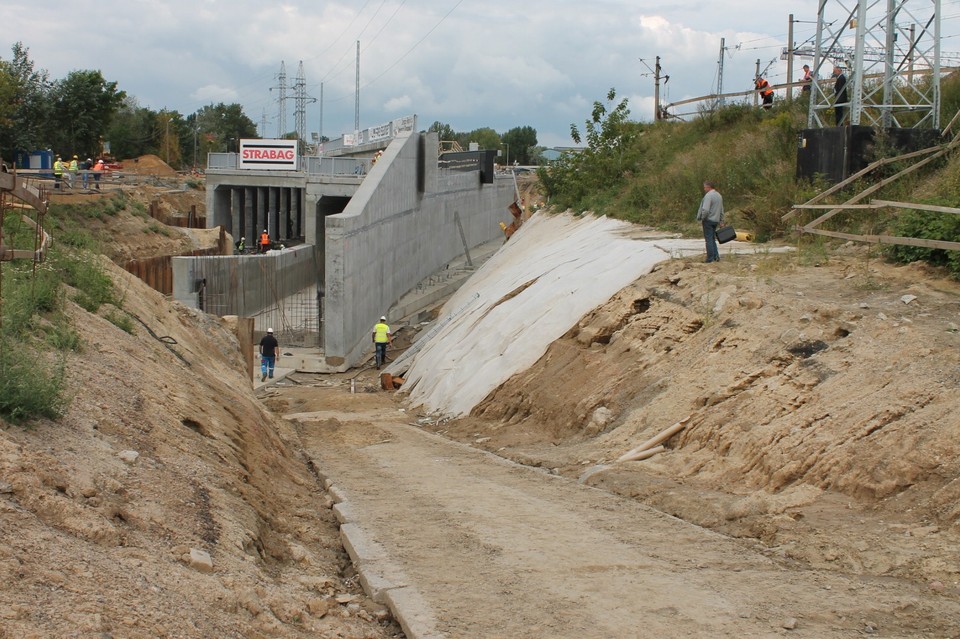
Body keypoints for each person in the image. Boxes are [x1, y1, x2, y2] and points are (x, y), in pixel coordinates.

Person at [696, 181, 724, 263]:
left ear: (709, 187)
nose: (704, 189)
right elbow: (721, 210)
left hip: (708, 220)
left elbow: (705, 209)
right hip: (716, 220)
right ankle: (716, 257)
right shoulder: (719, 195)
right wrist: (721, 221)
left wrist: (702, 218)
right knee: (712, 239)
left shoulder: (708, 196)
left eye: (705, 187)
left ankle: (710, 258)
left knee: (708, 240)